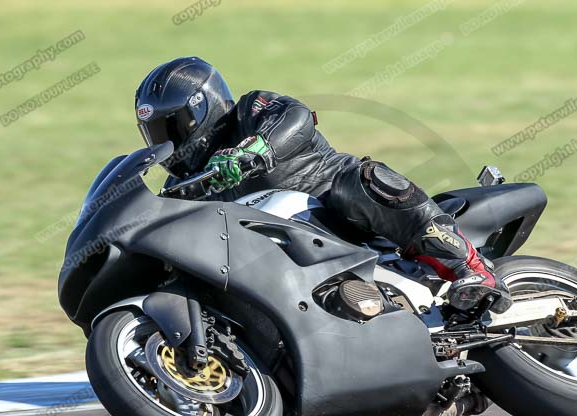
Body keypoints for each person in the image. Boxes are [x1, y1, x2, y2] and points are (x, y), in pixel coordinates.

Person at [135, 57, 511, 313]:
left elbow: (296, 117)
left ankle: (471, 267)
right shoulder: (185, 184)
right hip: (283, 262)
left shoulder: (252, 111)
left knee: (360, 183)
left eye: (173, 127)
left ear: (206, 107)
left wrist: (253, 150)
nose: (166, 141)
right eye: (155, 134)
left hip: (332, 208)